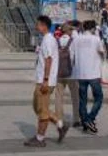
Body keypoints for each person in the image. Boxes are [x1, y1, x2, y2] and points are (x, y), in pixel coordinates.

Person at [24, 16, 68, 148]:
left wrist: (46, 80)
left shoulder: (48, 40)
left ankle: (40, 138)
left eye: (38, 24)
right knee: (37, 106)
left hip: (45, 81)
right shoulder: (46, 39)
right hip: (42, 80)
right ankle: (60, 125)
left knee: (42, 110)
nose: (36, 26)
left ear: (44, 25)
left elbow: (49, 60)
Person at [73, 20, 105, 134]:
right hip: (93, 73)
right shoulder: (96, 39)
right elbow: (102, 52)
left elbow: (72, 55)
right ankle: (90, 118)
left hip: (80, 73)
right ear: (92, 29)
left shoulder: (77, 39)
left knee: (83, 99)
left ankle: (84, 121)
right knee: (99, 97)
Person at [54, 23, 81, 129]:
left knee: (59, 97)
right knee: (75, 97)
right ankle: (76, 119)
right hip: (71, 74)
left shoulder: (57, 41)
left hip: (59, 73)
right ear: (69, 31)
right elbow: (75, 58)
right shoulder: (73, 41)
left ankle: (59, 119)